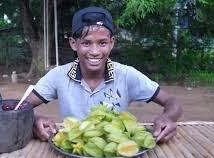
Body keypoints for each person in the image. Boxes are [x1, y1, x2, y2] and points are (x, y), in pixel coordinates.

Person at [24, 7, 182, 143]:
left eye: (102, 43)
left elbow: (171, 101)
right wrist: (34, 119)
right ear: (74, 44)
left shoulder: (126, 75)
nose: (94, 52)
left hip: (115, 153)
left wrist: (168, 117)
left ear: (112, 43)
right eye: (86, 43)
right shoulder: (58, 75)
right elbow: (19, 107)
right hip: (73, 151)